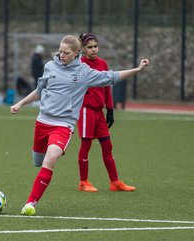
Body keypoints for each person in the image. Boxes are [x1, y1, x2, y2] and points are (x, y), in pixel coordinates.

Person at [10, 35, 149, 216]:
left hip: (63, 125)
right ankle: (37, 184)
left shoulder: (84, 72)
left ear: (77, 53)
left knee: (50, 159)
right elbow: (39, 90)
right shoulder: (49, 66)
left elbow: (112, 77)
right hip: (43, 122)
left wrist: (137, 69)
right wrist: (20, 103)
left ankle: (30, 204)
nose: (61, 55)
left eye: (66, 53)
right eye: (60, 51)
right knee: (38, 161)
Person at [76, 33, 135, 192]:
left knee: (107, 145)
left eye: (95, 46)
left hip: (99, 112)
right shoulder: (80, 65)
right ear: (83, 49)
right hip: (86, 110)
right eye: (90, 47)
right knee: (86, 145)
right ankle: (83, 182)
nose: (94, 49)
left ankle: (115, 182)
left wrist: (110, 109)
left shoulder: (102, 63)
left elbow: (107, 86)